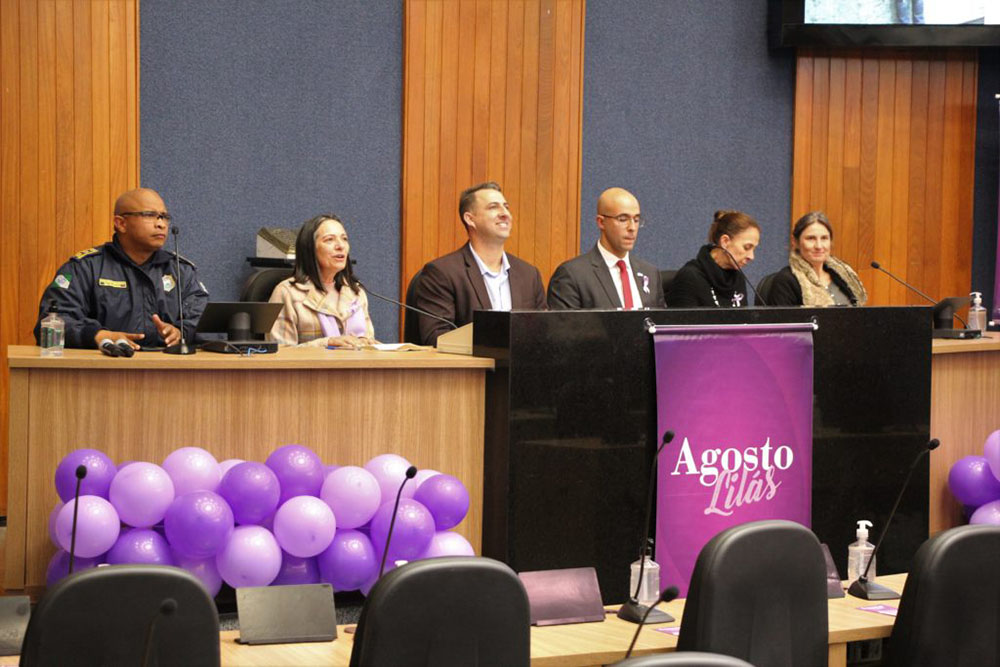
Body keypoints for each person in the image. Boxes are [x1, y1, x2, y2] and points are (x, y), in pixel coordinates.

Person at [34, 188, 209, 349]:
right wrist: (99, 336)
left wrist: (180, 332)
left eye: (164, 217)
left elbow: (203, 317)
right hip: (102, 372)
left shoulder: (180, 270)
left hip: (168, 374)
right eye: (150, 215)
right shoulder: (85, 267)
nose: (161, 224)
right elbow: (50, 322)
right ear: (121, 223)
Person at [413, 181, 547, 345]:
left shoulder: (528, 274)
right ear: (470, 219)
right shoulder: (442, 273)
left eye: (506, 207)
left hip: (522, 369)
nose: (505, 213)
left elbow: (544, 332)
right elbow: (437, 337)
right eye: (493, 207)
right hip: (471, 370)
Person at [547, 187, 665, 310]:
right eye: (623, 219)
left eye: (636, 220)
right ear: (601, 222)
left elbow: (663, 324)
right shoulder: (572, 275)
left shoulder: (650, 273)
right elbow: (566, 328)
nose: (632, 228)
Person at [268, 214, 376, 348]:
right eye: (329, 240)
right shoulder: (287, 293)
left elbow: (368, 340)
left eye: (344, 239)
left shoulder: (356, 293)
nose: (340, 246)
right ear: (310, 249)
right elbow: (279, 353)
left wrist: (370, 345)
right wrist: (326, 343)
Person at [765, 211, 867, 307]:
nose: (819, 246)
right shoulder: (785, 281)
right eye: (811, 238)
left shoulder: (842, 275)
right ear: (795, 242)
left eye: (824, 238)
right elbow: (785, 323)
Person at [667, 210, 760, 308]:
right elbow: (682, 322)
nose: (751, 256)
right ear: (725, 242)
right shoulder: (690, 277)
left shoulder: (738, 278)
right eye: (747, 247)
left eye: (754, 249)